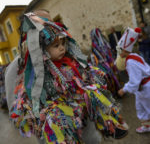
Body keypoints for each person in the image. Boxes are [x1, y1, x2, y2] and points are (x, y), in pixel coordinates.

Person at [6, 10, 128, 144]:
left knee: (95, 92)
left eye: (51, 23)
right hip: (58, 116)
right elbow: (19, 108)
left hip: (90, 136)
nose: (61, 48)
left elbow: (85, 75)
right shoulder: (20, 68)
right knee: (56, 116)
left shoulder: (69, 54)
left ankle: (110, 124)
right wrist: (34, 115)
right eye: (43, 23)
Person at [118, 27, 150, 133]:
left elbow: (134, 81)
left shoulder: (130, 62)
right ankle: (146, 126)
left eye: (119, 50)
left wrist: (124, 89)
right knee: (140, 107)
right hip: (142, 88)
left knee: (147, 107)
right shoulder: (133, 56)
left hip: (145, 87)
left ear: (124, 50)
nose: (118, 53)